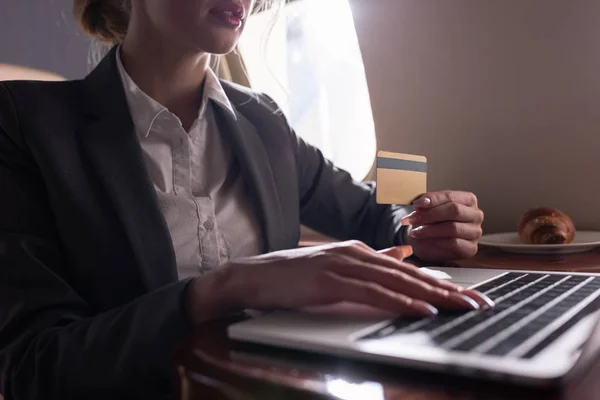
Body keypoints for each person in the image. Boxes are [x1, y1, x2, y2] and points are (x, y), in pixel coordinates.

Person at [0, 0, 492, 398]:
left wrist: (421, 223)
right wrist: (225, 288)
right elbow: (31, 367)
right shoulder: (26, 124)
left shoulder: (262, 119)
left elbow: (369, 209)